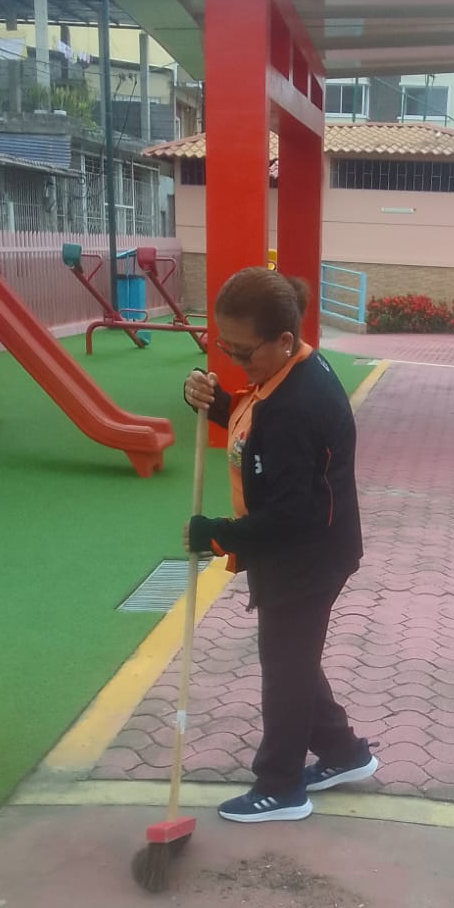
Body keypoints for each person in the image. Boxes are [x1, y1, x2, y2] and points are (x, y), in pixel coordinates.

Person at [183, 266, 377, 823]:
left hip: (306, 556)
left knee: (286, 669)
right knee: (293, 659)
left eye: (244, 352)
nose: (234, 361)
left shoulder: (297, 404)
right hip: (305, 549)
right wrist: (214, 401)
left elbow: (291, 516)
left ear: (284, 340)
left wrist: (216, 534)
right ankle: (344, 754)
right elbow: (256, 428)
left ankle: (281, 785)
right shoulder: (289, 374)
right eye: (223, 348)